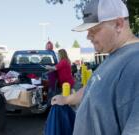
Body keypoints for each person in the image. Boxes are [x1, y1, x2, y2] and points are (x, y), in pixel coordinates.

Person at [51, 0, 139, 134]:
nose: (88, 36)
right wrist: (67, 99)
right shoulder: (114, 55)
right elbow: (94, 86)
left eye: (93, 30)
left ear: (118, 24)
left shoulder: (135, 63)